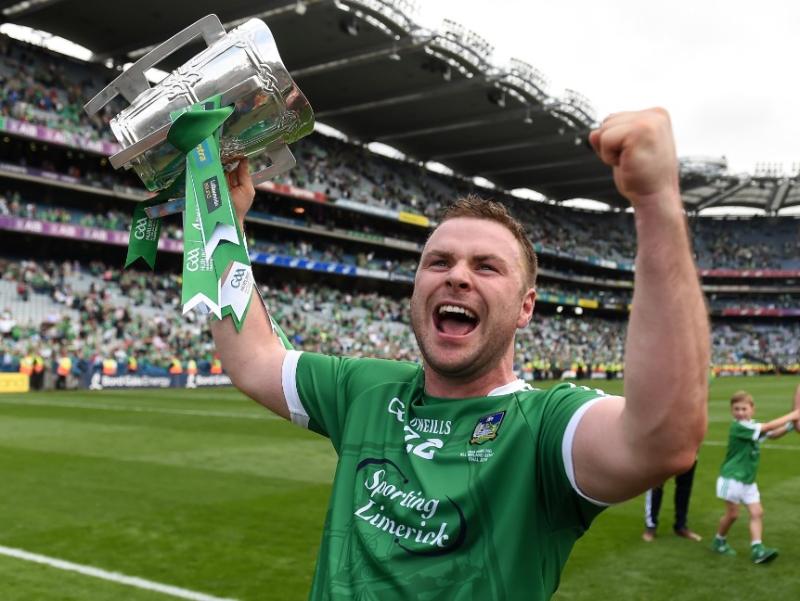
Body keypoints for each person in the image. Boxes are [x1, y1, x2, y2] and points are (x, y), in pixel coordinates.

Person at [211, 108, 709, 600]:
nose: (457, 276)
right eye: (439, 261)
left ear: (525, 307)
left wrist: (655, 200)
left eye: (487, 267)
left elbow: (662, 440)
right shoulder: (366, 391)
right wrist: (222, 222)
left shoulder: (543, 430)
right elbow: (254, 359)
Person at [711, 388, 799, 564]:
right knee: (733, 515)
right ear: (731, 411)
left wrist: (790, 426)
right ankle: (719, 540)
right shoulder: (739, 427)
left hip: (748, 481)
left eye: (744, 409)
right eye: (736, 409)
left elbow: (772, 434)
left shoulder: (751, 426)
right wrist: (794, 414)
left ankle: (757, 549)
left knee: (757, 512)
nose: (740, 413)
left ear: (752, 409)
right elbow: (767, 427)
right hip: (732, 478)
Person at [642, 459, 702, 542]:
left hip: (687, 453)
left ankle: (681, 526)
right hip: (663, 453)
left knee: (685, 487)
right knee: (656, 484)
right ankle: (651, 526)